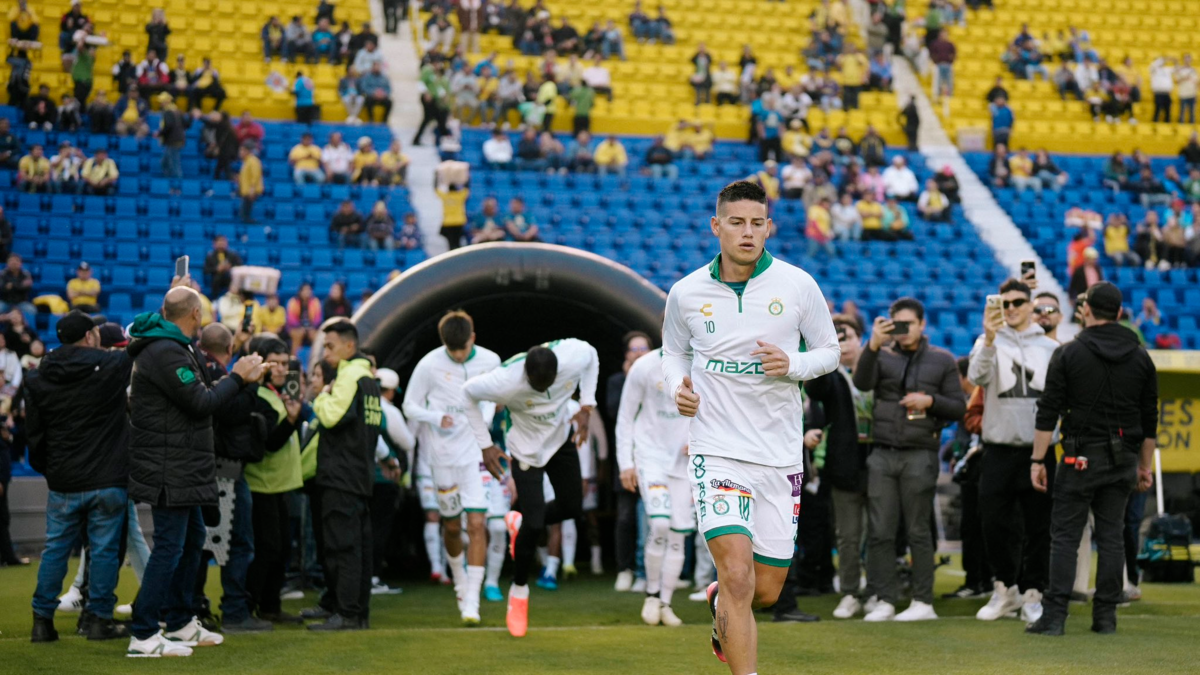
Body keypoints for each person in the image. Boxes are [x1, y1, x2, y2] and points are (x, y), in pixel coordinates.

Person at [661, 180, 839, 672]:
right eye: (736, 222)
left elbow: (829, 351)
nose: (747, 232)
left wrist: (793, 364)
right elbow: (673, 353)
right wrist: (676, 386)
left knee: (764, 591)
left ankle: (720, 603)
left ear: (769, 228)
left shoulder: (797, 284)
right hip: (716, 451)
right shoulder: (686, 292)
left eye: (757, 223)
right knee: (738, 576)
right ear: (716, 226)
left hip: (779, 456)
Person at [126, 285, 265, 657]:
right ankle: (143, 634)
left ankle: (180, 621)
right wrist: (237, 378)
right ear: (195, 314)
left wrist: (233, 380)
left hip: (181, 465)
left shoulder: (175, 348)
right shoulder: (165, 351)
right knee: (170, 548)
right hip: (169, 467)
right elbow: (201, 402)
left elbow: (197, 396)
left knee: (191, 542)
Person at [1026, 282, 1158, 636]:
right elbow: (1150, 420)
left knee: (1065, 537)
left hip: (1078, 457)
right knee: (1112, 536)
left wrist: (1037, 460)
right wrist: (1144, 466)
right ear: (1119, 313)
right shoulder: (1141, 357)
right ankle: (1106, 617)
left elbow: (1048, 412)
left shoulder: (1068, 354)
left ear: (1085, 310)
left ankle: (1055, 616)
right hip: (1123, 459)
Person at [463, 338, 599, 637]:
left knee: (572, 507)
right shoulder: (505, 380)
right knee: (535, 525)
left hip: (559, 439)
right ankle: (519, 591)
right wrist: (485, 445)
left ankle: (519, 526)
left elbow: (592, 355)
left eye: (548, 385)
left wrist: (587, 405)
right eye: (537, 386)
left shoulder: (573, 356)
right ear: (526, 375)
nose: (543, 391)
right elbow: (467, 393)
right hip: (524, 449)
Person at [853, 297, 966, 622]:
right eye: (898, 324)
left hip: (920, 452)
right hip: (883, 452)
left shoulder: (942, 360)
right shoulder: (880, 354)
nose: (903, 330)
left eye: (909, 324)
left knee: (918, 531)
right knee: (880, 531)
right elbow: (861, 382)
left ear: (922, 324)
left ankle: (922, 601)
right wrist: (872, 345)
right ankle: (885, 600)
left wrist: (929, 400)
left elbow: (958, 407)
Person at [26, 311, 132, 643]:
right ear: (89, 336)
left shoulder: (37, 377)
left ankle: (42, 622)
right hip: (107, 477)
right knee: (103, 552)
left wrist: (49, 469)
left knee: (55, 549)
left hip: (64, 478)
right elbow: (142, 343)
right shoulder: (112, 366)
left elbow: (35, 434)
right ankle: (99, 620)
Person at [968, 279, 1060, 624]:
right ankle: (1005, 588)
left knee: (1039, 527)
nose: (1010, 308)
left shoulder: (1050, 348)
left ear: (1030, 304)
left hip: (1039, 450)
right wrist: (990, 339)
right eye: (1004, 303)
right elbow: (976, 376)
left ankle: (1033, 593)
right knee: (993, 524)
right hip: (998, 448)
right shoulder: (986, 341)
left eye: (1018, 302)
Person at [402, 311, 501, 624]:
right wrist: (434, 417)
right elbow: (409, 405)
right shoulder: (429, 365)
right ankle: (459, 581)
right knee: (453, 526)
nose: (458, 356)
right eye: (452, 350)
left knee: (478, 524)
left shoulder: (491, 360)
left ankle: (473, 599)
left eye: (463, 349)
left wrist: (484, 420)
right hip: (442, 457)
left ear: (473, 338)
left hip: (475, 456)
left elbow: (496, 396)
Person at [300, 320, 383, 631]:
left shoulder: (350, 376)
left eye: (330, 346)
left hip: (340, 476)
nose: (326, 353)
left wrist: (321, 396)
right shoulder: (370, 380)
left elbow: (332, 416)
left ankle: (346, 613)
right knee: (358, 547)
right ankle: (355, 612)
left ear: (350, 346)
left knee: (342, 547)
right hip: (360, 474)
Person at [615, 346, 691, 627]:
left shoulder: (704, 362)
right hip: (651, 456)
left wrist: (700, 441)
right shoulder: (644, 366)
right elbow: (625, 417)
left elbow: (716, 410)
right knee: (659, 523)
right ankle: (651, 594)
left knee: (678, 534)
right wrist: (626, 463)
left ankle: (665, 603)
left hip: (684, 462)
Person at [286, 283, 322, 353]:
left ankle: (316, 356)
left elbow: (318, 318)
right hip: (296, 328)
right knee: (298, 335)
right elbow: (291, 319)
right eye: (305, 290)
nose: (307, 292)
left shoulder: (315, 302)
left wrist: (312, 327)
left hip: (311, 327)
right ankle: (294, 356)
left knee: (316, 336)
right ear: (300, 292)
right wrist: (300, 327)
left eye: (309, 290)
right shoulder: (293, 302)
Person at [237, 144, 263, 224]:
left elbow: (255, 176)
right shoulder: (246, 161)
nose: (240, 152)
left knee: (245, 215)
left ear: (247, 151)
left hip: (250, 191)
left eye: (242, 150)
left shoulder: (253, 161)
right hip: (246, 191)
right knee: (243, 214)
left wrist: (252, 189)